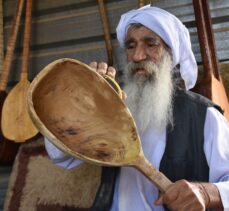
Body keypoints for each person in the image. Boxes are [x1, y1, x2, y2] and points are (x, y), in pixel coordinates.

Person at [44, 5, 229, 211]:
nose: (138, 56)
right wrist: (81, 105)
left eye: (151, 44)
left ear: (170, 53)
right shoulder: (113, 108)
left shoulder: (204, 117)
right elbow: (61, 157)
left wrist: (206, 193)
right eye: (131, 46)